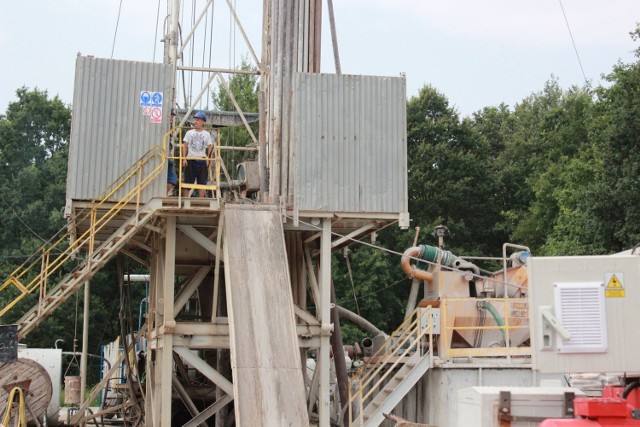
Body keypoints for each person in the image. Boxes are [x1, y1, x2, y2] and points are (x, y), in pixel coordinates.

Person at [182, 111, 213, 198]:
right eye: (195, 120)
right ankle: (185, 201)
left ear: (202, 122)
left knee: (202, 183)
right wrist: (184, 158)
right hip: (190, 159)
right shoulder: (189, 133)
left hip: (202, 160)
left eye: (198, 120)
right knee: (187, 183)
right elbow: (184, 146)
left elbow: (210, 147)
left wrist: (209, 160)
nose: (195, 122)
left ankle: (201, 202)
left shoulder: (206, 134)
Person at [166, 109, 178, 196]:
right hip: (163, 154)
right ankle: (162, 194)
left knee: (172, 179)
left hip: (167, 154)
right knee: (172, 178)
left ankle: (163, 194)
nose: (172, 117)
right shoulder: (165, 126)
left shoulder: (168, 126)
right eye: (172, 115)